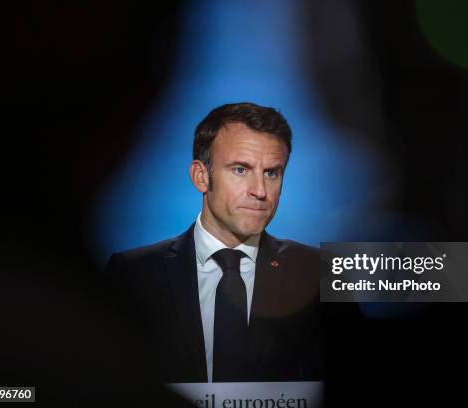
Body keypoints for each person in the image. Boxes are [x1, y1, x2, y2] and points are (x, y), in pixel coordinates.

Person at [104, 102, 322, 384]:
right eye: (241, 170)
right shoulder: (131, 274)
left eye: (272, 173)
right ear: (201, 176)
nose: (260, 191)